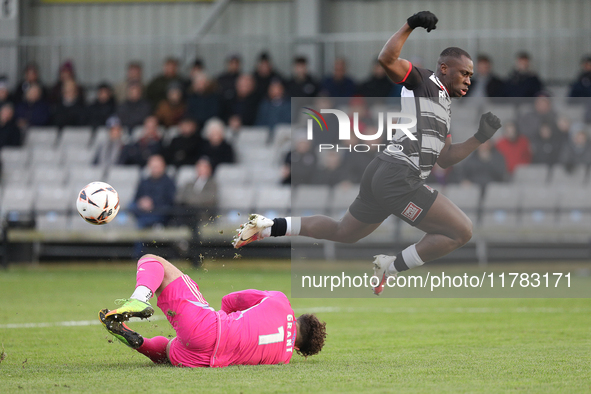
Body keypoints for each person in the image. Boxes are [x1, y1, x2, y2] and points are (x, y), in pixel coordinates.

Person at [231, 11, 502, 296]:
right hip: (399, 176)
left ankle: (268, 226)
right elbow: (386, 59)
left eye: (471, 75)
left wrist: (479, 137)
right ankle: (391, 266)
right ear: (445, 68)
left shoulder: (443, 106)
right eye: (465, 73)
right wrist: (411, 24)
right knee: (461, 231)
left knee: (342, 232)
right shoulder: (425, 80)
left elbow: (445, 158)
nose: (469, 80)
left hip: (384, 171)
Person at [98, 253, 327, 367]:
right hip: (205, 359)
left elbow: (230, 300)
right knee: (169, 349)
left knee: (152, 261)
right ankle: (141, 343)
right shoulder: (283, 357)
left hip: (210, 328)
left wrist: (216, 322)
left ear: (299, 316)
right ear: (299, 349)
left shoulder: (280, 302)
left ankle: (139, 299)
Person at [130, 154, 176, 229]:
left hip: (159, 213)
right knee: (130, 206)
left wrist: (152, 204)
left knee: (143, 223)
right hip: (142, 211)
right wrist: (141, 202)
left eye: (157, 167)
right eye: (153, 167)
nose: (155, 169)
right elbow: (136, 197)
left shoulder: (169, 183)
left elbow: (169, 202)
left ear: (163, 167)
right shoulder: (144, 182)